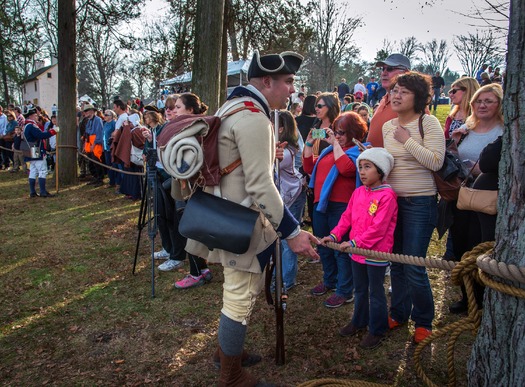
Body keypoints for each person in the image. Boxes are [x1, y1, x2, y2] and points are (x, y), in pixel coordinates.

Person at [182, 51, 320, 386]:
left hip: (226, 213)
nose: (292, 89)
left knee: (236, 290)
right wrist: (292, 232)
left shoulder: (234, 107)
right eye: (287, 81)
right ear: (267, 81)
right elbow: (260, 184)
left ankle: (225, 353)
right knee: (239, 296)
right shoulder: (254, 117)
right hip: (241, 220)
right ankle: (230, 375)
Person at [382, 71, 445, 344]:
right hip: (392, 203)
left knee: (414, 264)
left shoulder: (428, 124)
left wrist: (406, 138)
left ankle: (423, 322)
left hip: (420, 202)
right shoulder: (387, 127)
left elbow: (435, 162)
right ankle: (398, 313)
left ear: (417, 98)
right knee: (396, 261)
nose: (396, 95)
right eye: (395, 90)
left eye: (403, 92)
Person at [320, 147, 397, 348]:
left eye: (368, 167)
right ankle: (359, 320)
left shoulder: (387, 196)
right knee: (360, 289)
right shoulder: (358, 192)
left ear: (381, 171)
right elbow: (347, 217)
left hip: (374, 252)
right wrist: (335, 235)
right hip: (356, 252)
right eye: (360, 167)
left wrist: (355, 243)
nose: (362, 171)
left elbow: (378, 228)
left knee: (375, 291)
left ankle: (377, 329)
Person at [447, 83, 504, 314]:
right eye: (479, 101)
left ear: (499, 104)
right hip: (463, 195)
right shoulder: (466, 128)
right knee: (461, 246)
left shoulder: (503, 131)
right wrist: (455, 142)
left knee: (480, 245)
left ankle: (483, 299)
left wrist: (480, 169)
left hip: (488, 199)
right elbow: (450, 159)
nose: (482, 105)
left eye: (489, 101)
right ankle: (467, 297)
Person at [303, 112, 368, 308]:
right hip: (321, 204)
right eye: (335, 131)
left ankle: (344, 290)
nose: (337, 135)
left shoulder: (357, 152)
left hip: (342, 206)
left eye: (341, 132)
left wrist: (336, 145)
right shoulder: (328, 151)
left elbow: (346, 169)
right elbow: (308, 167)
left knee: (341, 249)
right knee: (323, 245)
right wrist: (308, 143)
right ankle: (329, 280)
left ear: (353, 133)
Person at [271, 109, 306, 291]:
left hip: (292, 195)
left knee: (288, 239)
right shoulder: (279, 148)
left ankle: (286, 280)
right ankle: (278, 276)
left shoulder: (283, 153)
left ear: (281, 128)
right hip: (286, 195)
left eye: (271, 125)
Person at [367, 53, 411, 147]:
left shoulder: (412, 102)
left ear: (406, 73)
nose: (384, 73)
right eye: (383, 69)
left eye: (390, 69)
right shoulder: (384, 98)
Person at [23, 108, 59, 198]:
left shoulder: (26, 126)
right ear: (31, 116)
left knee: (33, 171)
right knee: (42, 170)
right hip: (35, 150)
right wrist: (53, 131)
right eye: (35, 115)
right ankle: (43, 191)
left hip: (29, 150)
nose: (37, 117)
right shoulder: (32, 126)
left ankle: (32, 192)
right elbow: (41, 135)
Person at [82, 104, 105, 186]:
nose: (86, 113)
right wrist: (85, 145)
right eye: (85, 111)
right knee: (91, 163)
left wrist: (94, 144)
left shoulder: (98, 120)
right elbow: (86, 134)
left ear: (92, 111)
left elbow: (99, 133)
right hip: (89, 144)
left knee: (97, 162)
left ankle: (100, 179)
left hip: (96, 144)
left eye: (87, 111)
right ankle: (95, 177)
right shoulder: (88, 121)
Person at [102, 110, 120, 187]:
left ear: (111, 116)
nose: (104, 116)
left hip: (112, 148)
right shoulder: (105, 124)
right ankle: (111, 181)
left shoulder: (114, 123)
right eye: (104, 114)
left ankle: (117, 182)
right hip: (106, 148)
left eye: (106, 115)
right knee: (108, 165)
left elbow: (116, 135)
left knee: (114, 165)